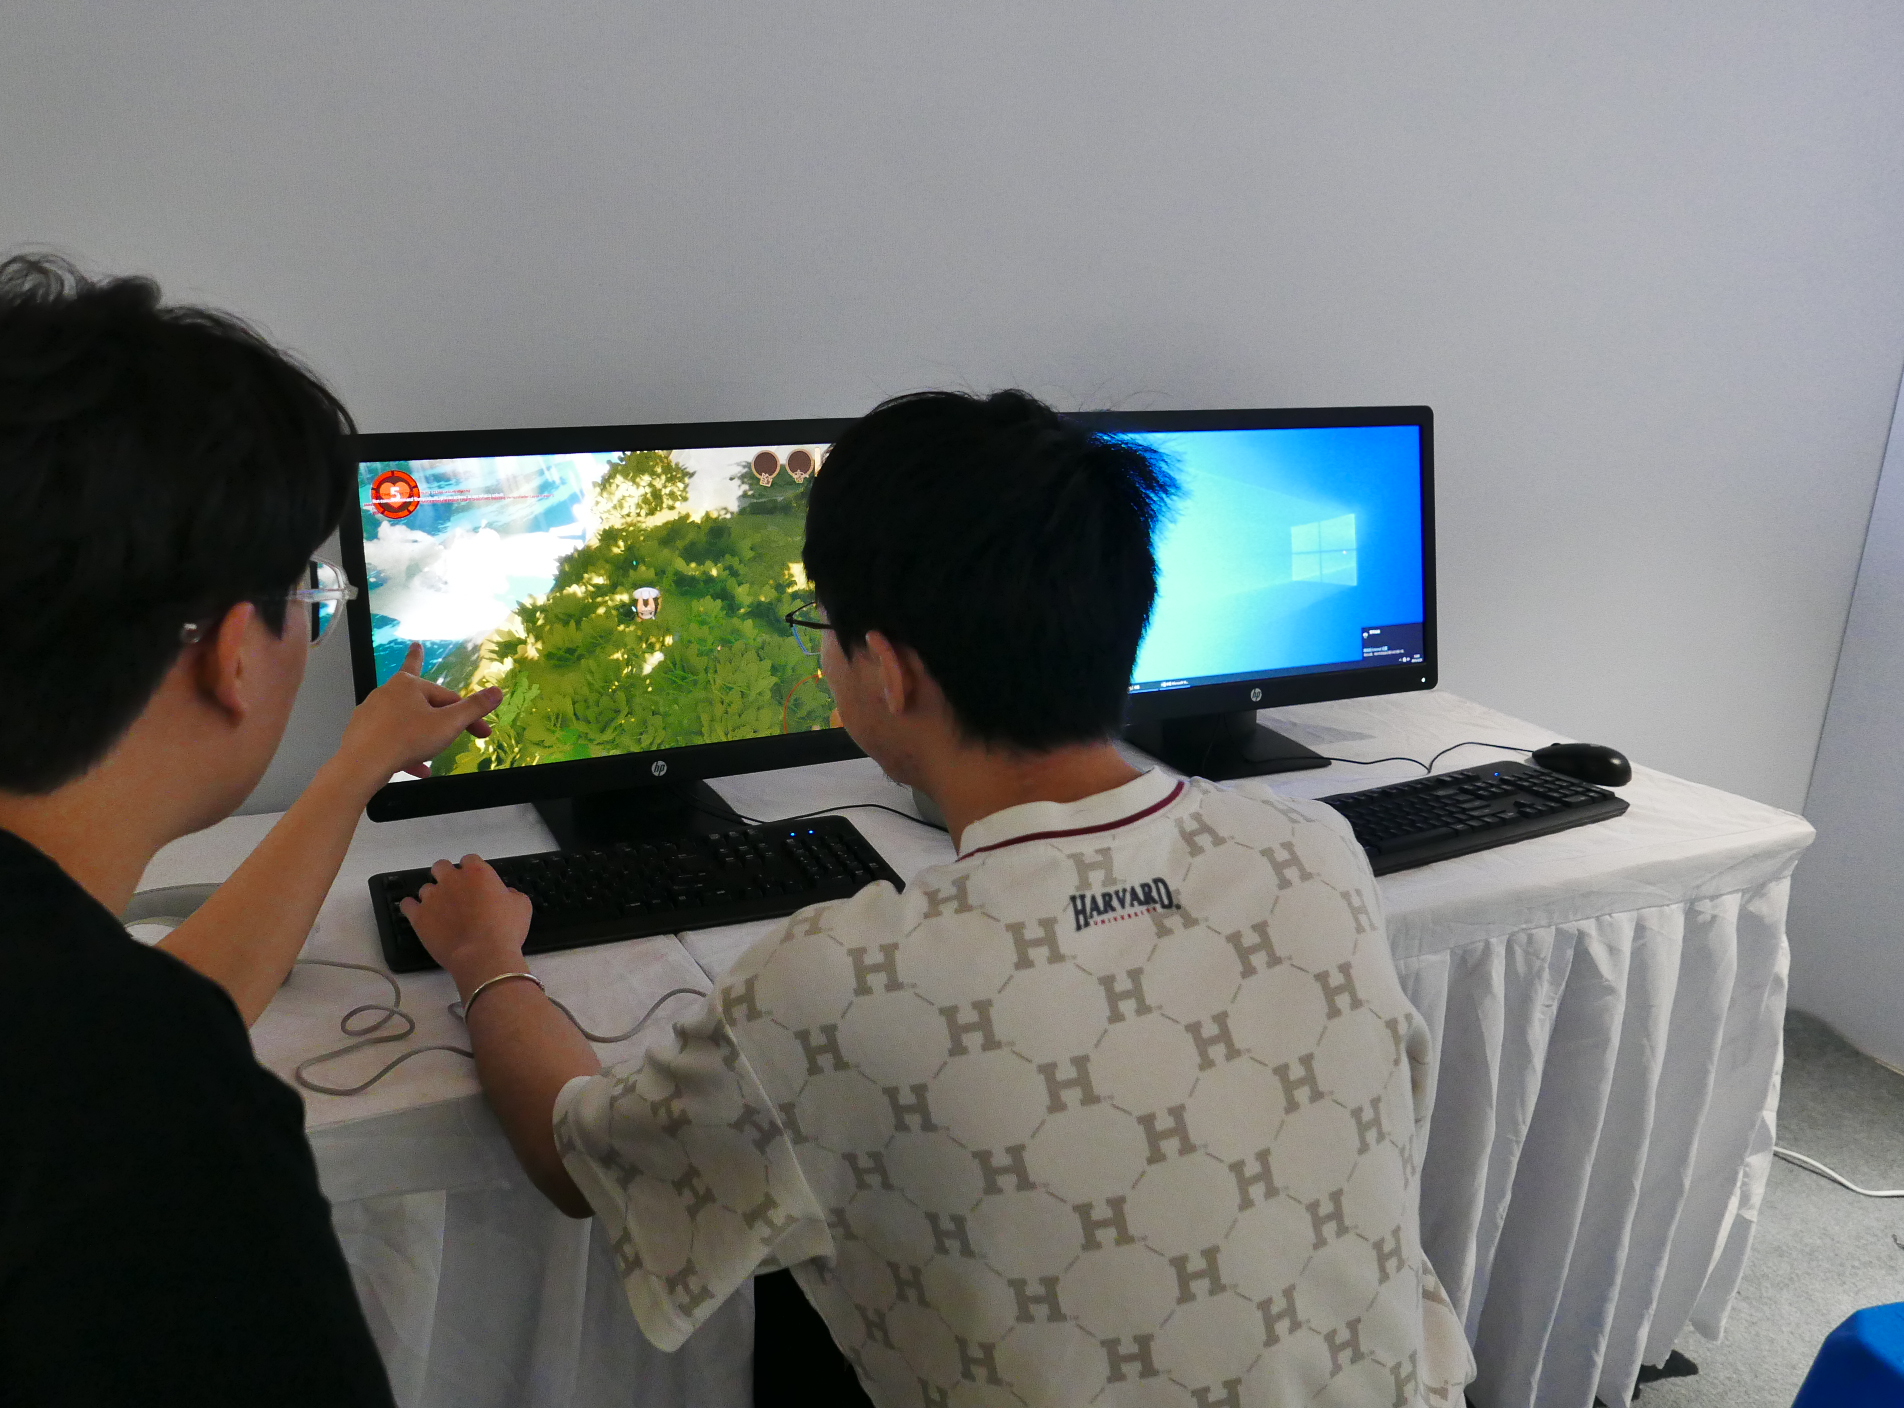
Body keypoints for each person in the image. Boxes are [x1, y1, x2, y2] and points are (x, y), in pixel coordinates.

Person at [406, 389, 1476, 1407]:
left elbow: (578, 1158)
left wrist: (486, 958)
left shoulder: (832, 987)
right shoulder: (1315, 854)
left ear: (890, 671)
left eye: (820, 625)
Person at [0, 255, 504, 1406]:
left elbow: (142, 1009)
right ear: (232, 654)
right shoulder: (142, 1125)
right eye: (310, 600)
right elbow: (122, 1057)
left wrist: (352, 769)